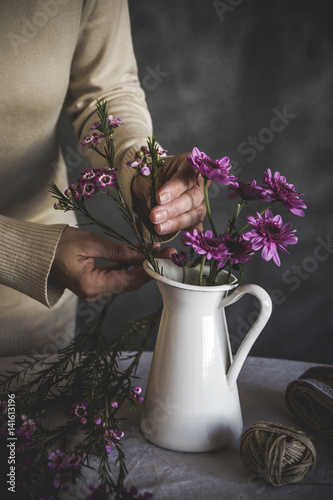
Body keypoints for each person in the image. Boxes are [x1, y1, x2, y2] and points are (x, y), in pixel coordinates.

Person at [0, 0, 206, 356]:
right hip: (45, 259)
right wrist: (31, 253)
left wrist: (143, 168)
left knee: (17, 413)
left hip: (35, 304)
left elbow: (105, 89)